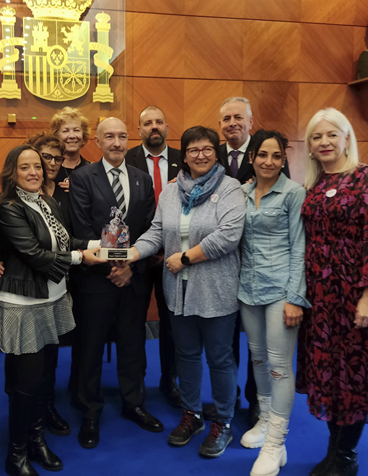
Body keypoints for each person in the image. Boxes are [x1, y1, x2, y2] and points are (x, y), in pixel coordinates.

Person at [0, 144, 105, 476]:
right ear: (12, 172)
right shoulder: (10, 208)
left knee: (44, 377)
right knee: (25, 384)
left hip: (53, 299)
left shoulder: (48, 202)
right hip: (22, 304)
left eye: (37, 166)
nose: (34, 172)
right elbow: (36, 255)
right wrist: (84, 258)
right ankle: (17, 453)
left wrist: (100, 244)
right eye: (25, 167)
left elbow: (64, 242)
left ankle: (37, 441)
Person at [297, 107, 368, 476]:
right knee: (327, 376)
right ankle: (332, 449)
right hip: (319, 301)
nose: (324, 142)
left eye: (330, 135)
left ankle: (346, 459)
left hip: (352, 299)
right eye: (316, 137)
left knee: (351, 378)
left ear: (346, 138)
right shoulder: (315, 184)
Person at [128, 125, 245, 458]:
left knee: (220, 358)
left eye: (207, 148)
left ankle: (222, 421)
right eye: (193, 150)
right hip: (177, 291)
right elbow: (156, 233)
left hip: (217, 288)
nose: (201, 155)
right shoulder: (169, 192)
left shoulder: (231, 187)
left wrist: (184, 257)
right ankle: (192, 414)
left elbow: (228, 236)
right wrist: (131, 254)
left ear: (216, 152)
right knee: (187, 356)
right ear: (184, 155)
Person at [69, 117, 164, 449]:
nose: (116, 142)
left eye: (122, 136)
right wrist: (113, 264)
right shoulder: (82, 178)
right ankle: (90, 410)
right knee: (91, 346)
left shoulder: (140, 179)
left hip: (133, 279)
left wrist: (129, 267)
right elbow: (79, 230)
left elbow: (150, 229)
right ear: (97, 141)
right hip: (96, 280)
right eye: (109, 136)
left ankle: (133, 403)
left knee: (132, 344)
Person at [236, 130, 310, 476]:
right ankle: (265, 420)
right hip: (247, 290)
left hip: (281, 290)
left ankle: (276, 445)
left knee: (280, 366)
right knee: (258, 359)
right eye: (262, 154)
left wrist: (296, 298)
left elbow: (300, 248)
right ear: (251, 157)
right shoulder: (243, 192)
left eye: (276, 156)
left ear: (284, 160)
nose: (268, 161)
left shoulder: (294, 194)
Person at [215, 96, 288, 425]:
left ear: (250, 122)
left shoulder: (273, 165)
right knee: (235, 343)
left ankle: (259, 403)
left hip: (270, 277)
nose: (232, 123)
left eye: (238, 117)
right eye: (226, 118)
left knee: (265, 351)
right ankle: (229, 400)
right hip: (231, 273)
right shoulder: (211, 155)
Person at [124, 105, 182, 407]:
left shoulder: (184, 159)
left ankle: (169, 379)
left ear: (167, 127)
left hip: (175, 259)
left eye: (159, 121)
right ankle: (136, 383)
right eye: (147, 123)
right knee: (134, 322)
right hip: (138, 255)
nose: (154, 127)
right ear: (139, 130)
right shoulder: (126, 159)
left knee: (171, 323)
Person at [24, 131, 72, 437]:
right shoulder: (23, 195)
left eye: (57, 158)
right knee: (29, 359)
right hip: (29, 288)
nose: (51, 163)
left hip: (62, 284)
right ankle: (28, 413)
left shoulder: (66, 191)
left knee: (51, 351)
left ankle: (48, 405)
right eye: (45, 157)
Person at [48, 107, 92, 400]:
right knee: (50, 331)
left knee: (84, 329)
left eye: (77, 130)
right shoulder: (47, 168)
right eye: (66, 130)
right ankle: (44, 392)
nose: (72, 135)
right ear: (57, 135)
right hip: (52, 262)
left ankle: (80, 386)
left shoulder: (93, 169)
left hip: (85, 262)